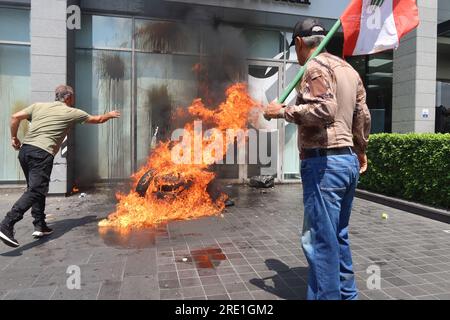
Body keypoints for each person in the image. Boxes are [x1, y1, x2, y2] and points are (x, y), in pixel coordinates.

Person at [264, 19, 371, 300]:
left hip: (325, 165)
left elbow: (324, 109)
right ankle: (348, 295)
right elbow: (363, 116)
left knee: (321, 242)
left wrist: (282, 111)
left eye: (295, 49)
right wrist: (360, 149)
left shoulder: (313, 67)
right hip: (346, 163)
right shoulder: (349, 70)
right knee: (338, 236)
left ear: (299, 43)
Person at [0, 85, 121, 248]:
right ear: (69, 97)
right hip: (41, 154)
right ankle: (7, 224)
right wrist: (110, 114)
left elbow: (15, 117)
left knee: (35, 189)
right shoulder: (71, 112)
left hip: (25, 151)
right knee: (36, 190)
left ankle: (40, 225)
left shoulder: (38, 106)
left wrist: (14, 138)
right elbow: (97, 119)